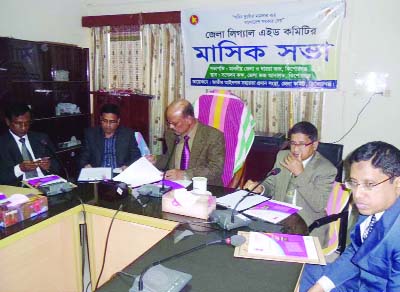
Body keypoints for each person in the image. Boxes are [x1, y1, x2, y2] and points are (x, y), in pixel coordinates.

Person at [300, 141, 400, 292]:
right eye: (354, 183)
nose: (357, 195)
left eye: (370, 184)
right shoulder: (372, 208)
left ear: (397, 184)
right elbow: (356, 251)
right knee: (302, 271)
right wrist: (320, 287)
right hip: (358, 281)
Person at [243, 121, 337, 246]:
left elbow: (318, 205)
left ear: (314, 145)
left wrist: (300, 174)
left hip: (307, 225)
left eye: (302, 144)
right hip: (278, 218)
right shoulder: (282, 156)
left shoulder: (326, 169)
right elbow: (271, 184)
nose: (295, 149)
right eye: (292, 143)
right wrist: (261, 188)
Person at [149, 99, 225, 186]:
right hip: (174, 187)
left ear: (189, 119)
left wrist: (184, 174)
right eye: (169, 123)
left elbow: (216, 168)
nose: (170, 126)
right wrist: (156, 160)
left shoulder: (213, 136)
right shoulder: (170, 134)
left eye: (175, 123)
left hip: (204, 188)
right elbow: (169, 158)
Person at [0, 102, 60, 185]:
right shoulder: (2, 143)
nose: (24, 127)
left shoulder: (41, 138)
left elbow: (58, 165)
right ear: (8, 122)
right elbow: (2, 177)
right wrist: (19, 169)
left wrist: (49, 166)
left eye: (27, 123)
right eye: (18, 123)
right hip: (20, 188)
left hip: (46, 182)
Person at [79, 103, 141, 170]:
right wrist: (85, 165)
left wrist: (127, 166)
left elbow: (136, 156)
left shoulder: (128, 134)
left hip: (120, 173)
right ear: (101, 119)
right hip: (98, 174)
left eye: (112, 122)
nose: (108, 125)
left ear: (118, 121)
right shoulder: (90, 134)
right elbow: (83, 158)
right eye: (105, 121)